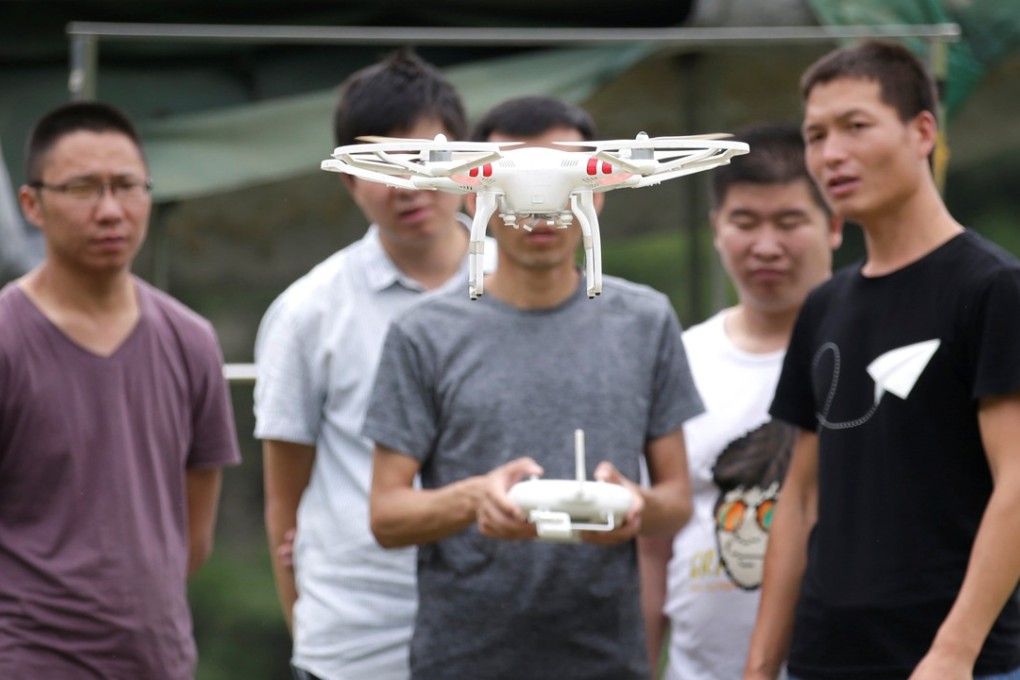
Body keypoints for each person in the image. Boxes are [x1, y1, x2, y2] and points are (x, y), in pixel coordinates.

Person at [362, 95, 701, 680]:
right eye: (515, 177)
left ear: (599, 189)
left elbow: (677, 501)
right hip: (462, 660)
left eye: (566, 175)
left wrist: (633, 505)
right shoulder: (424, 333)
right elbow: (387, 514)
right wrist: (477, 498)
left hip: (605, 658)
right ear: (477, 193)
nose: (543, 205)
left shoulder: (646, 322)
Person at [743, 40, 1020, 680]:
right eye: (815, 135)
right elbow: (799, 500)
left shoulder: (991, 288)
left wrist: (955, 650)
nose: (831, 153)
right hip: (822, 660)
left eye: (855, 126)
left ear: (923, 130)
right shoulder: (823, 307)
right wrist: (760, 665)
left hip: (952, 664)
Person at [254, 48, 484, 680]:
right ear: (348, 178)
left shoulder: (522, 286)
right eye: (380, 164)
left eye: (426, 159)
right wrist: (309, 631)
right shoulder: (308, 312)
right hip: (356, 642)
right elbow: (285, 501)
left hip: (502, 628)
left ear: (467, 163)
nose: (407, 184)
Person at [0, 101, 241, 677]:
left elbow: (192, 533)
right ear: (31, 203)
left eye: (127, 186)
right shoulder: (8, 339)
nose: (110, 211)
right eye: (83, 189)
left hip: (158, 660)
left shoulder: (191, 340)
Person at [637, 122, 842, 680]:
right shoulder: (679, 358)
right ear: (716, 229)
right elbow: (653, 547)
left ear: (835, 226)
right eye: (745, 222)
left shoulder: (861, 354)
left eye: (790, 221)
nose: (766, 246)